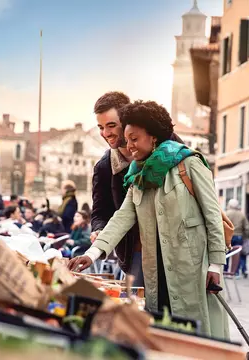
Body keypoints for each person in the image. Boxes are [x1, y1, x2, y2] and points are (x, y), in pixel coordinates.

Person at [69, 100, 229, 339]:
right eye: (127, 139)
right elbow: (121, 218)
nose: (129, 146)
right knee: (162, 330)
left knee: (196, 332)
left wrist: (216, 264)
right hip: (156, 269)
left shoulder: (190, 164)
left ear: (153, 137)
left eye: (134, 139)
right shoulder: (137, 178)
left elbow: (213, 216)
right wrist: (91, 254)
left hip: (193, 268)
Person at [91, 92, 184, 287]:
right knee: (141, 307)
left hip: (179, 245)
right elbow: (101, 211)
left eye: (111, 125)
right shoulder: (104, 167)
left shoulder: (169, 144)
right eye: (100, 127)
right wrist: (99, 230)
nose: (105, 133)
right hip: (137, 250)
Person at [225, 199, 249, 278]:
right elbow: (247, 227)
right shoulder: (241, 215)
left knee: (227, 254)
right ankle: (235, 273)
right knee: (236, 255)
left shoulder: (226, 213)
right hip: (239, 236)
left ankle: (225, 272)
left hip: (228, 236)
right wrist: (245, 236)